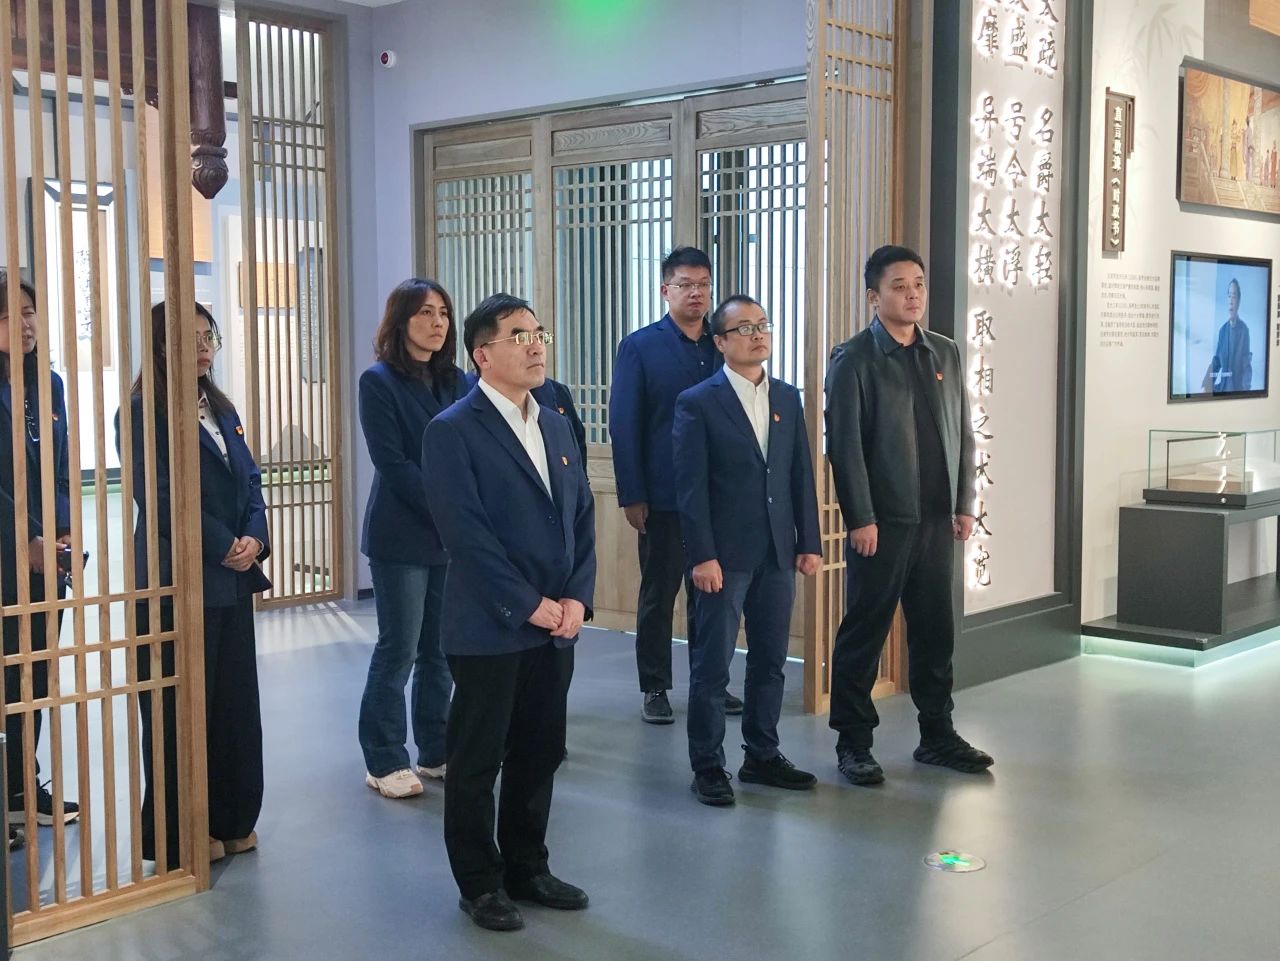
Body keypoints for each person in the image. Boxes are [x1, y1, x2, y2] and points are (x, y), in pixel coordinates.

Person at [422, 294, 595, 933]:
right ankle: (479, 882)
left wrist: (576, 597)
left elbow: (580, 514)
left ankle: (528, 866)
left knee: (539, 751)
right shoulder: (452, 430)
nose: (535, 344)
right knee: (477, 760)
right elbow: (466, 536)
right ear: (482, 355)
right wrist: (528, 605)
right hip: (490, 626)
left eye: (538, 332)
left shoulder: (555, 421)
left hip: (556, 624)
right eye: (519, 335)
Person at [824, 245, 993, 786]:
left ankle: (937, 734)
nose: (913, 294)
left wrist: (964, 503)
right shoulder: (854, 359)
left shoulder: (944, 351)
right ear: (873, 297)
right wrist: (860, 518)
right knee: (865, 633)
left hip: (936, 521)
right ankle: (853, 742)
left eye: (918, 283)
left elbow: (964, 432)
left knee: (935, 631)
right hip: (883, 523)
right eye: (899, 286)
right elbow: (845, 448)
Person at [121, 302, 270, 867]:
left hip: (231, 579)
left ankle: (232, 818)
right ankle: (180, 829)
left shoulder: (221, 407)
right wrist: (221, 544)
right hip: (176, 578)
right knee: (179, 709)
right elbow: (158, 495)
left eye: (210, 336)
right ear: (162, 345)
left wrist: (254, 537)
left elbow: (250, 479)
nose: (204, 347)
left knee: (233, 704)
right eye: (191, 337)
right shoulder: (141, 410)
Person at [673, 295, 822, 806]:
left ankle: (762, 754)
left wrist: (809, 541)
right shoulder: (698, 401)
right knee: (712, 666)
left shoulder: (786, 397)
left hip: (778, 550)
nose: (758, 334)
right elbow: (690, 487)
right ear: (719, 342)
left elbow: (799, 472)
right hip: (724, 556)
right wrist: (701, 555)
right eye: (744, 328)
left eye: (763, 325)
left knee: (771, 660)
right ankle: (708, 765)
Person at [609, 246, 742, 724]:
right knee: (659, 594)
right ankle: (655, 686)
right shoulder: (640, 346)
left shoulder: (722, 344)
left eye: (703, 284)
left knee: (714, 596)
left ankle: (712, 682)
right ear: (665, 290)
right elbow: (624, 423)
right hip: (663, 496)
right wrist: (632, 494)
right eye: (685, 284)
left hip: (718, 496)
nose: (696, 293)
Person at [357, 279, 467, 799]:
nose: (437, 322)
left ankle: (436, 750)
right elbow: (393, 462)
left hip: (449, 534)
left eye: (443, 312)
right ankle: (384, 759)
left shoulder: (456, 380)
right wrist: (450, 506)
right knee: (398, 648)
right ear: (400, 321)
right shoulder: (378, 381)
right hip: (401, 533)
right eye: (425, 312)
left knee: (440, 650)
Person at [0, 273, 79, 829]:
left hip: (48, 553)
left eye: (29, 312)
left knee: (36, 672)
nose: (25, 324)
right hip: (8, 550)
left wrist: (65, 531)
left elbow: (62, 467)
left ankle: (23, 787)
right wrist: (24, 536)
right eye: (10, 315)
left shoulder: (48, 384)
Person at [1202, 278, 1251, 394]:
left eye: (1234, 296)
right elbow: (1217, 361)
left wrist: (1246, 393)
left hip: (1237, 390)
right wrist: (1206, 384)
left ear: (1239, 301)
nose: (1231, 301)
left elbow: (1246, 366)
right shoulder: (1223, 331)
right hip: (1223, 388)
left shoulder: (1244, 330)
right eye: (1229, 296)